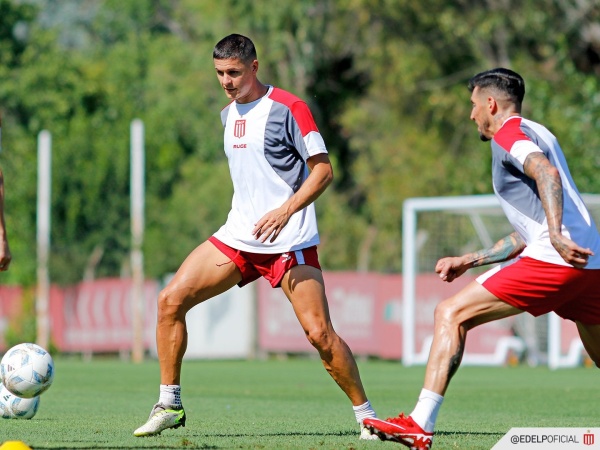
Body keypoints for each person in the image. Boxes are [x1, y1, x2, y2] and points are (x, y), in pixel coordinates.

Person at [134, 34, 378, 439]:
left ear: (254, 67)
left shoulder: (289, 108)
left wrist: (286, 210)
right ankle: (169, 404)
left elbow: (323, 170)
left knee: (319, 334)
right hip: (239, 237)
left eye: (233, 72)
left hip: (290, 240)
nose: (226, 81)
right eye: (219, 73)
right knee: (169, 300)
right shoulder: (226, 116)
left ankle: (367, 417)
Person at [363, 68, 600, 450]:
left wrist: (555, 235)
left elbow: (547, 174)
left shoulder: (508, 134)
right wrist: (469, 259)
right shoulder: (542, 131)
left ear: (491, 104)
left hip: (556, 258)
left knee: (450, 314)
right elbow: (528, 230)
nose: (471, 114)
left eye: (473, 105)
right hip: (591, 264)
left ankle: (420, 424)